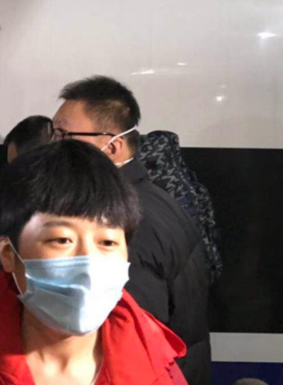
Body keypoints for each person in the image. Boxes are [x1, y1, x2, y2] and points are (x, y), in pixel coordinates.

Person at [0, 140, 188, 385]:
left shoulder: (156, 367)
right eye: (61, 239)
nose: (88, 263)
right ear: (9, 254)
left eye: (108, 242)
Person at [52, 76, 210, 385]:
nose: (54, 146)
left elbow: (131, 332)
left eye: (65, 135)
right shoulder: (150, 196)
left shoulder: (122, 220)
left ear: (112, 146)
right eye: (53, 133)